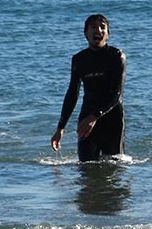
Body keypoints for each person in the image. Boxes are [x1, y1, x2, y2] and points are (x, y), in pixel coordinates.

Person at [51, 14, 127, 162]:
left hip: (112, 119)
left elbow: (116, 94)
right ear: (85, 33)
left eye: (102, 27)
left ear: (108, 35)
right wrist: (60, 128)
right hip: (86, 119)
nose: (98, 30)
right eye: (93, 27)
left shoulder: (117, 56)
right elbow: (72, 93)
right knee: (85, 168)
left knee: (113, 169)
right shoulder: (79, 59)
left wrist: (95, 116)